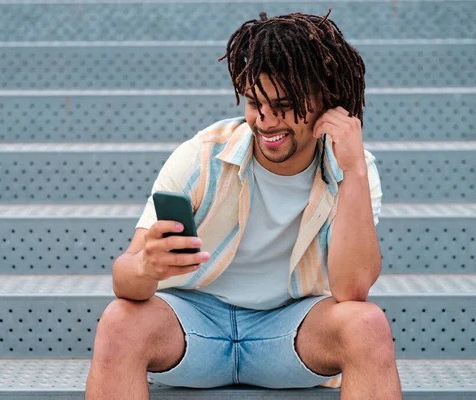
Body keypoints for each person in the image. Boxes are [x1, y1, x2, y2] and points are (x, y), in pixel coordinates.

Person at [86, 9, 402, 400]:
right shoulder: (202, 156)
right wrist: (146, 267)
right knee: (119, 321)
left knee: (367, 325)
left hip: (289, 333)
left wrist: (352, 171)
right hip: (195, 323)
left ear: (326, 101)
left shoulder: (353, 168)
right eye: (255, 102)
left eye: (284, 104)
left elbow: (352, 290)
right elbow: (124, 278)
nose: (266, 120)